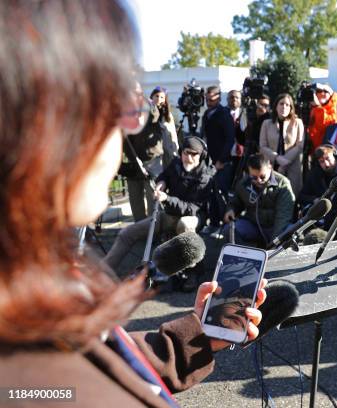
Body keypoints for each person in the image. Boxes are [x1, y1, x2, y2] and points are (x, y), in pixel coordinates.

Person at [0, 1, 265, 406]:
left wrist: (195, 338)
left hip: (182, 223)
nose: (130, 124)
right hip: (162, 221)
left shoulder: (27, 300)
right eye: (116, 104)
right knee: (129, 232)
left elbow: (96, 361)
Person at [104, 137, 216, 282]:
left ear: (201, 156)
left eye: (194, 154)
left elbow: (191, 209)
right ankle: (102, 271)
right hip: (169, 215)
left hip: (192, 218)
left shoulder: (205, 176)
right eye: (186, 153)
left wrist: (167, 199)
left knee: (184, 224)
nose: (189, 158)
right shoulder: (176, 163)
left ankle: (191, 271)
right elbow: (165, 175)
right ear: (181, 152)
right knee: (127, 233)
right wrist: (161, 182)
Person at [119, 83, 172, 222]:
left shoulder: (149, 106)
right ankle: (140, 229)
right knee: (135, 199)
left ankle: (154, 230)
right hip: (133, 160)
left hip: (152, 160)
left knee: (153, 196)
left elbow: (153, 116)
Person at [223, 154, 295, 247]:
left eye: (262, 176)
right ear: (249, 171)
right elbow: (235, 201)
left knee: (290, 233)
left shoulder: (283, 184)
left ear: (270, 168)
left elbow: (283, 217)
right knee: (229, 230)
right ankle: (246, 257)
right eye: (254, 177)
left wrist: (273, 243)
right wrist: (231, 210)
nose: (259, 181)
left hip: (275, 227)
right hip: (254, 225)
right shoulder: (243, 183)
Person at [259, 94, 304, 196]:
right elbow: (262, 146)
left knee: (291, 196)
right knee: (271, 196)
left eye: (287, 105)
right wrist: (277, 158)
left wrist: (285, 161)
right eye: (281, 104)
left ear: (291, 108)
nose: (284, 107)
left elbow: (299, 145)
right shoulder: (266, 123)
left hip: (292, 165)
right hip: (271, 165)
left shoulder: (297, 123)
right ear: (276, 106)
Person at [150, 86, 180, 168]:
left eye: (162, 97)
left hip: (167, 148)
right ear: (152, 96)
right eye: (156, 96)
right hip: (153, 150)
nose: (158, 99)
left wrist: (175, 150)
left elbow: (172, 134)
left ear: (165, 100)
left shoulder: (167, 115)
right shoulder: (147, 112)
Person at [307, 84, 337, 152]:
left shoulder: (336, 107)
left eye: (325, 91)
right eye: (318, 91)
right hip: (314, 149)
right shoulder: (312, 107)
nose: (322, 93)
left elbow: (325, 124)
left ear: (331, 94)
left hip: (327, 150)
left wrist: (317, 107)